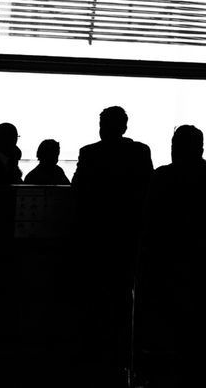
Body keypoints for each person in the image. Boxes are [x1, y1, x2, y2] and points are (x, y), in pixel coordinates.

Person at [136, 125, 206, 386]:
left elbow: (150, 224)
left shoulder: (162, 178)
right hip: (204, 267)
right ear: (200, 148)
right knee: (202, 335)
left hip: (168, 267)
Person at [73, 106, 154, 388]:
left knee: (97, 297)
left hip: (97, 238)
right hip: (128, 236)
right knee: (124, 296)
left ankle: (98, 350)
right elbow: (148, 192)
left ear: (104, 126)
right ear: (125, 126)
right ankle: (123, 350)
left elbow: (79, 194)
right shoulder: (140, 153)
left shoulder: (90, 153)